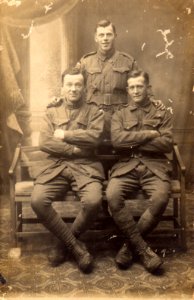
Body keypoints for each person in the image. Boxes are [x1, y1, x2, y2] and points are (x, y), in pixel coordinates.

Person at [31, 68, 105, 273]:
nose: (73, 89)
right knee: (37, 200)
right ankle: (75, 246)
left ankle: (62, 244)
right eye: (69, 85)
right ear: (62, 87)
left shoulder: (94, 111)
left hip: (85, 166)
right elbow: (44, 141)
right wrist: (72, 148)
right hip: (56, 166)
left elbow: (94, 138)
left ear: (84, 87)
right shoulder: (52, 110)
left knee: (93, 202)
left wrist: (64, 134)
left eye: (78, 85)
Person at [106, 70, 173, 273]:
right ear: (127, 90)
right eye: (132, 87)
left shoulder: (162, 113)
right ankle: (143, 250)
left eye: (140, 86)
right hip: (127, 165)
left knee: (161, 197)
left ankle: (129, 246)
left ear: (147, 88)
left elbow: (166, 144)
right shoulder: (120, 114)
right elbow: (118, 142)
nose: (136, 90)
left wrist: (133, 141)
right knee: (112, 195)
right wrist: (150, 134)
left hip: (155, 166)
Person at [77, 19, 163, 146]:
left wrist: (153, 99)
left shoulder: (127, 61)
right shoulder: (86, 62)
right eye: (101, 35)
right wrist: (59, 99)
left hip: (119, 117)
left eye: (109, 34)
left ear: (115, 36)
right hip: (93, 117)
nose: (105, 38)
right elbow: (73, 84)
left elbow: (140, 83)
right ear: (96, 38)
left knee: (120, 150)